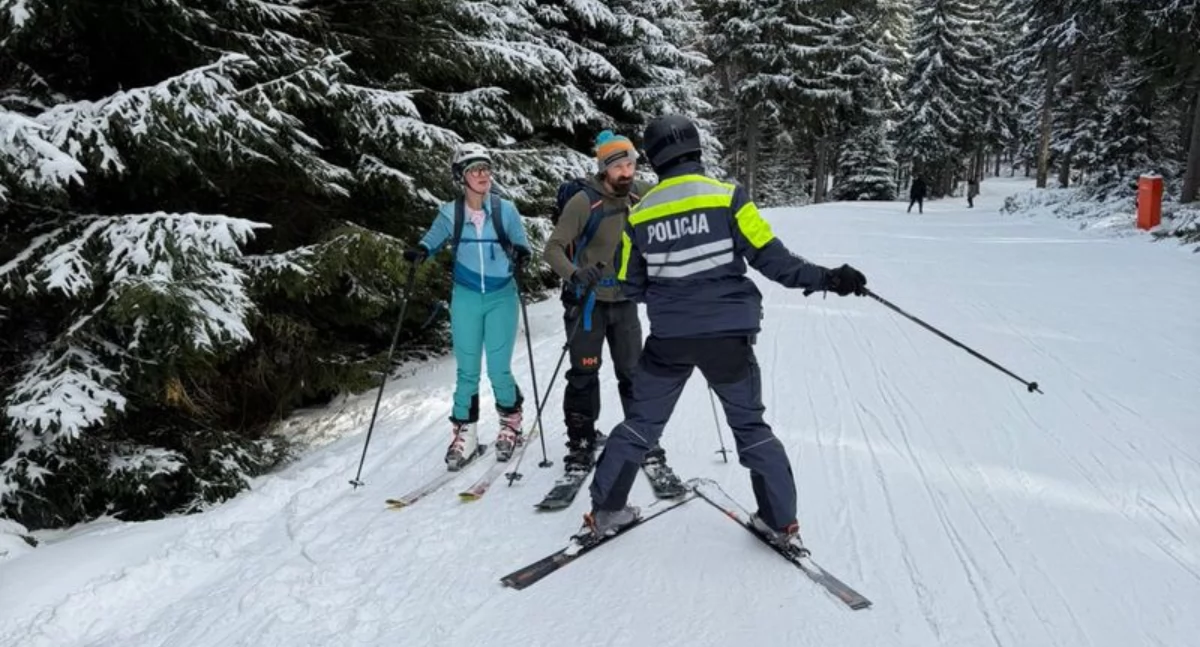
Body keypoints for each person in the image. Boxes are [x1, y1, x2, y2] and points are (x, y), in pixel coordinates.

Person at [582, 115, 869, 546]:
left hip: (669, 340)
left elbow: (630, 284)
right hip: (728, 341)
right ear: (695, 149)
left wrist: (669, 292)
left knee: (641, 423)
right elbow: (773, 259)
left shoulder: (640, 213)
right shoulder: (728, 196)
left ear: (655, 158)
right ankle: (778, 522)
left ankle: (605, 511)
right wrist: (829, 278)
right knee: (750, 426)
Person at [542, 130, 679, 487]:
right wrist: (575, 273)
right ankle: (581, 443)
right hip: (588, 304)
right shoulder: (584, 202)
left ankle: (644, 440)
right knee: (584, 374)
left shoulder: (640, 194)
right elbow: (552, 249)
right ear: (604, 168)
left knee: (634, 374)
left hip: (626, 302)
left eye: (630, 164)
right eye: (618, 166)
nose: (626, 172)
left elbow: (674, 202)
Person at [403, 143, 532, 470]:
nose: (483, 175)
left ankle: (511, 423)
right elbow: (431, 239)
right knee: (467, 371)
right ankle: (466, 434)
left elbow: (522, 244)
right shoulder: (451, 213)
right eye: (475, 170)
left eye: (486, 168)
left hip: (502, 296)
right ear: (461, 177)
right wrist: (420, 251)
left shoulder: (505, 210)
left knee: (499, 369)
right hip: (466, 297)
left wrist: (521, 255)